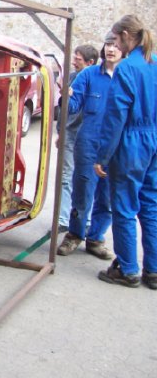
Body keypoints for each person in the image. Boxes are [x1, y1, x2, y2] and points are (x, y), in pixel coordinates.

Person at [94, 15, 157, 289]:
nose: (115, 44)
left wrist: (102, 156)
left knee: (124, 207)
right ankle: (153, 271)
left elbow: (115, 117)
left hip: (132, 142)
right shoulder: (154, 64)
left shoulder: (127, 68)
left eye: (117, 39)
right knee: (151, 205)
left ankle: (128, 269)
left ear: (126, 35)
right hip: (153, 140)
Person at [57, 35, 122, 259]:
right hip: (89, 144)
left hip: (115, 146)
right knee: (83, 191)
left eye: (116, 46)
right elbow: (73, 106)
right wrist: (68, 96)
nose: (112, 50)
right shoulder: (88, 75)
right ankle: (75, 234)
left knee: (108, 195)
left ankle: (96, 238)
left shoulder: (127, 77)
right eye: (109, 45)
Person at [57, 45, 98, 233]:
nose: (74, 62)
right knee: (65, 177)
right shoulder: (72, 78)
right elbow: (66, 110)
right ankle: (64, 218)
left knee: (86, 180)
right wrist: (61, 132)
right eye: (74, 58)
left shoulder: (97, 81)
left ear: (90, 63)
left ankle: (85, 221)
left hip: (88, 140)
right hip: (70, 135)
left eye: (78, 59)